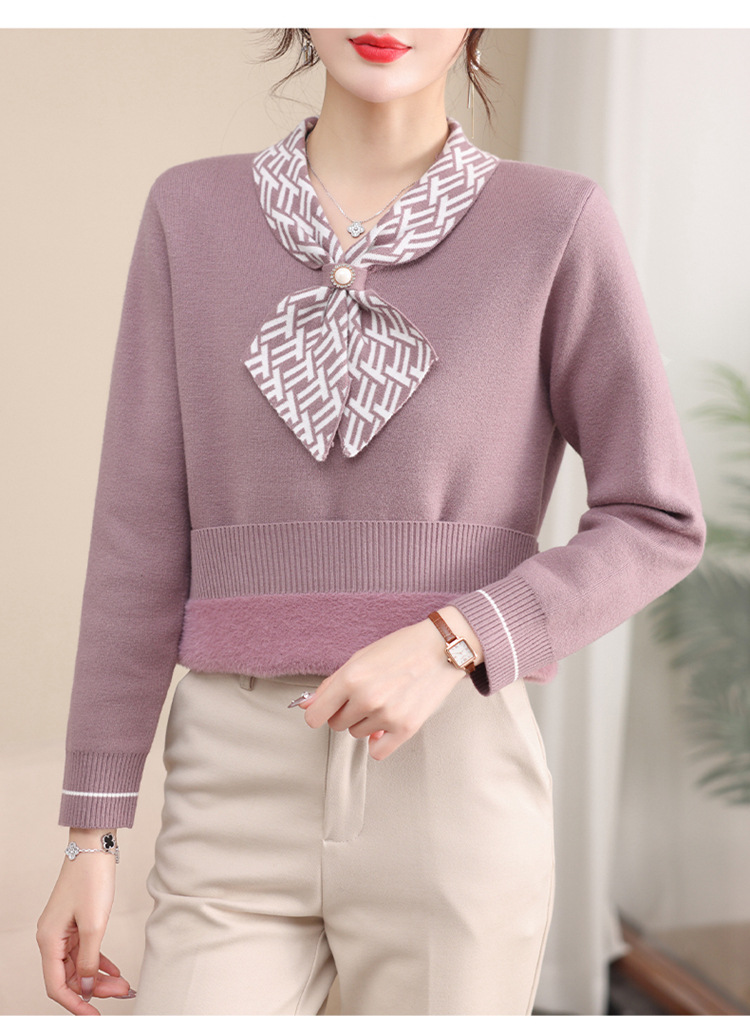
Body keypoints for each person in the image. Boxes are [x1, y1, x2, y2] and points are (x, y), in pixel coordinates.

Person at [36, 28, 705, 1016]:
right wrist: (90, 830)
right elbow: (136, 533)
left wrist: (454, 636)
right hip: (231, 778)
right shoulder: (190, 212)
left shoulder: (555, 223)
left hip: (454, 771)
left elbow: (657, 516)